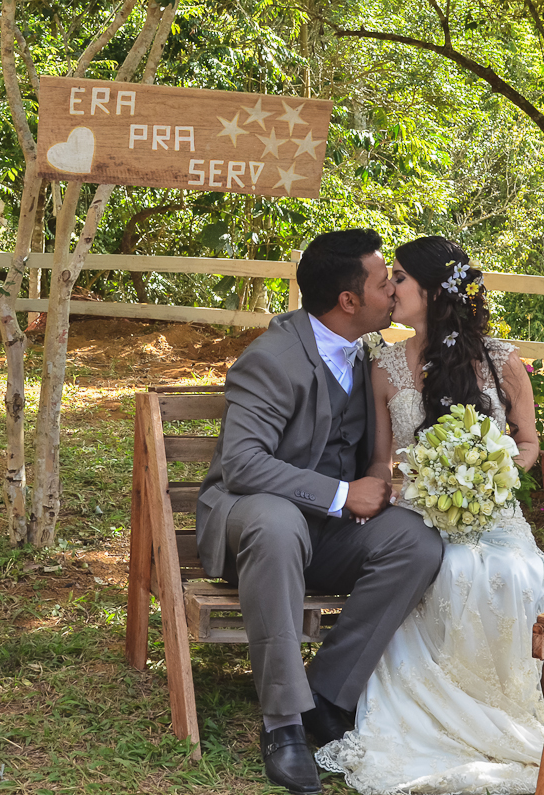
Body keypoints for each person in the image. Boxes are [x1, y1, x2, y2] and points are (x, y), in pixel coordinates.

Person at [315, 237, 544, 794]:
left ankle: (500, 712)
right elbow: (380, 459)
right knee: (445, 569)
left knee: (510, 574)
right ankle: (426, 715)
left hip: (495, 513)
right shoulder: (385, 363)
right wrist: (392, 489)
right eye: (388, 278)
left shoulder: (500, 360)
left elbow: (529, 444)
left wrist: (495, 472)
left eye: (400, 278)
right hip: (419, 512)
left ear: (432, 290)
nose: (390, 288)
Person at [196, 229, 446, 794]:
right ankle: (282, 725)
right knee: (277, 521)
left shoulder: (369, 358)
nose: (393, 291)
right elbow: (241, 465)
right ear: (349, 301)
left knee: (416, 540)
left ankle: (327, 694)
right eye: (385, 283)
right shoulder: (272, 360)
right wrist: (340, 495)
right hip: (256, 531)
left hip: (327, 537)